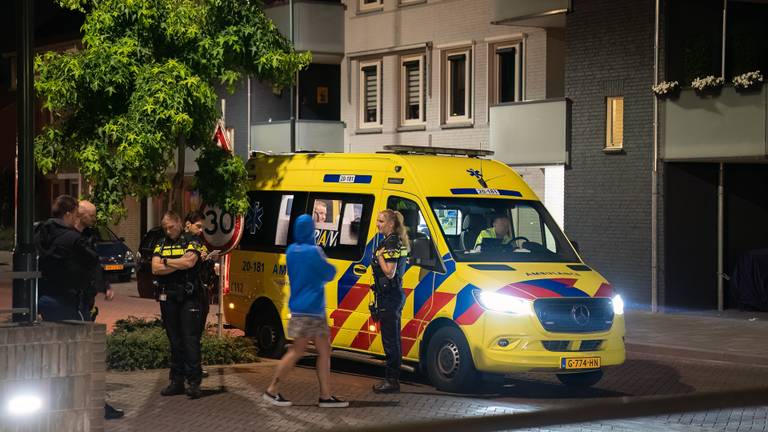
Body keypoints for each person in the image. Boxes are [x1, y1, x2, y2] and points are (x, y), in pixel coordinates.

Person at [263, 214, 349, 408]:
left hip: (299, 308)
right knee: (309, 351)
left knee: (314, 350)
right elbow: (329, 273)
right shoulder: (314, 251)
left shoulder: (292, 250)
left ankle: (325, 396)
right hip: (314, 310)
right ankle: (272, 390)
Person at [75, 200, 124, 420]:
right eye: (92, 216)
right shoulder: (70, 240)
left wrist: (104, 286)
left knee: (88, 356)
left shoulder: (87, 237)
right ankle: (90, 403)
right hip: (74, 306)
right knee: (84, 356)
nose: (94, 220)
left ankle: (94, 402)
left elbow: (93, 265)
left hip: (85, 303)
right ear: (80, 214)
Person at [151, 211, 205, 399]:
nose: (167, 230)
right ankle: (176, 381)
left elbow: (189, 262)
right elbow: (155, 268)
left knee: (189, 340)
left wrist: (166, 262)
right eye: (165, 227)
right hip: (169, 297)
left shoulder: (193, 240)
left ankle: (194, 382)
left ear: (179, 223)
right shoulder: (160, 242)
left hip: (189, 297)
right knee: (174, 340)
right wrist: (176, 263)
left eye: (170, 227)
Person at [36, 195, 97, 321]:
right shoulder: (72, 239)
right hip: (67, 300)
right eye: (75, 214)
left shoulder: (39, 233)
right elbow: (91, 262)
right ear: (68, 214)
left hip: (44, 297)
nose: (76, 218)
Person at [370, 209, 409, 394]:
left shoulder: (392, 242)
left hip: (390, 297)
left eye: (381, 221)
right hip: (389, 296)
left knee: (390, 341)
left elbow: (389, 272)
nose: (378, 224)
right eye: (378, 220)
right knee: (392, 339)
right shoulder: (390, 240)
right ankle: (392, 378)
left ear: (391, 224)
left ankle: (391, 380)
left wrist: (378, 257)